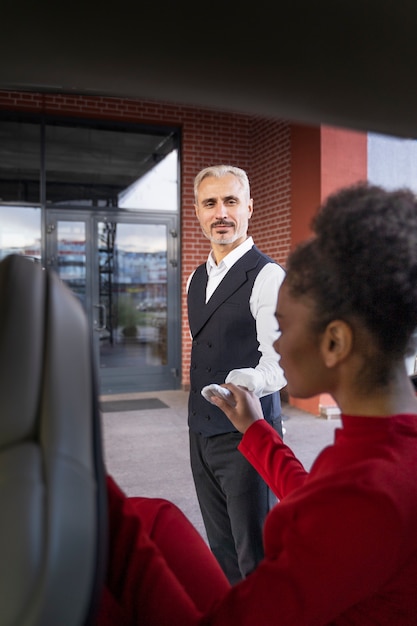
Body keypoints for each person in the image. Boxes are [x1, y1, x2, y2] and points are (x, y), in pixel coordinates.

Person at [96, 181, 417, 625]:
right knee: (160, 518)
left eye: (282, 325)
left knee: (145, 532)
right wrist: (255, 430)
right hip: (229, 430)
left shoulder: (367, 499)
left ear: (335, 341)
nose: (276, 343)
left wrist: (92, 485)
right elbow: (313, 497)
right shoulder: (378, 455)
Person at [186, 164, 287, 583]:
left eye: (230, 201)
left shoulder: (267, 276)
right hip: (201, 432)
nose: (220, 213)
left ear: (249, 208)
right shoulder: (196, 277)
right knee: (222, 550)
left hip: (250, 431)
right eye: (210, 203)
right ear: (197, 212)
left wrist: (243, 383)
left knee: (255, 555)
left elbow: (277, 364)